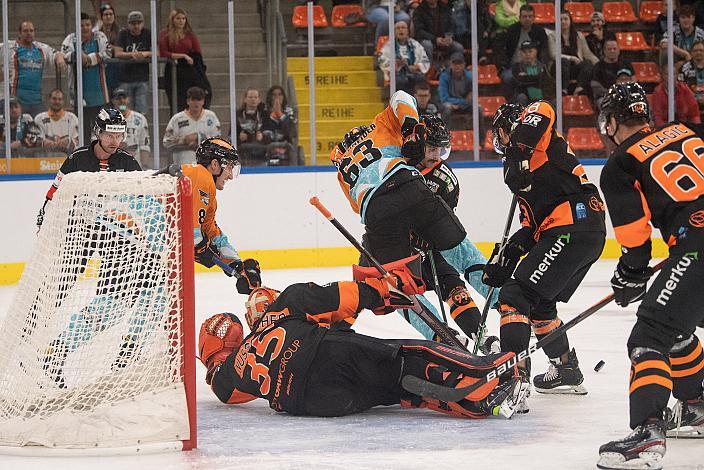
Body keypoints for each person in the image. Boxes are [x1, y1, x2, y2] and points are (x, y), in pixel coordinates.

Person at [199, 269, 528, 419]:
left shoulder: (235, 367)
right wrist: (384, 289)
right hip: (324, 357)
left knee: (402, 389)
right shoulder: (291, 300)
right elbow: (344, 296)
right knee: (407, 356)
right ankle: (486, 368)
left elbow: (223, 389)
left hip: (314, 404)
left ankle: (473, 403)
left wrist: (216, 355)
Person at [330, 90, 496, 347]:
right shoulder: (390, 140)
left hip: (402, 230)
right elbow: (402, 97)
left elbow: (361, 207)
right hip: (406, 206)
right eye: (430, 148)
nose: (434, 156)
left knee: (422, 283)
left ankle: (474, 336)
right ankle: (508, 306)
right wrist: (408, 125)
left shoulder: (345, 167)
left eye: (438, 150)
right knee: (385, 283)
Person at [596, 81, 704, 470]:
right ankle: (694, 407)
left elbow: (635, 240)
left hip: (699, 245)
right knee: (677, 325)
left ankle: (647, 432)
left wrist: (630, 276)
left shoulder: (620, 164)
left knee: (650, 335)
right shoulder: (687, 130)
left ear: (610, 123)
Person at [483, 101, 606, 411]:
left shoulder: (538, 137)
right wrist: (508, 255)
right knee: (540, 304)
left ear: (511, 128)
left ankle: (513, 378)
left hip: (571, 225)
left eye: (501, 133)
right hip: (578, 231)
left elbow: (544, 109)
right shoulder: (520, 165)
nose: (499, 141)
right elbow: (532, 227)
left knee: (513, 295)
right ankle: (565, 369)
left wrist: (519, 154)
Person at [180, 137, 261, 295]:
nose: (230, 176)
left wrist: (237, 265)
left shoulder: (208, 194)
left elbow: (210, 231)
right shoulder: (201, 176)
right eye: (229, 167)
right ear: (215, 165)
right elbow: (191, 233)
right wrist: (202, 247)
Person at [0, 21, 66, 117]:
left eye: (31, 30)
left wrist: (59, 58)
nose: (29, 33)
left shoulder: (41, 48)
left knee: (40, 127)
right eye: (25, 31)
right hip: (16, 101)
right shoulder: (9, 47)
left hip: (36, 101)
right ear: (19, 33)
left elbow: (56, 53)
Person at [61, 12, 111, 141]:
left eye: (87, 25)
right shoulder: (71, 38)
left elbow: (108, 53)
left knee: (100, 128)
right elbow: (64, 54)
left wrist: (89, 58)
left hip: (98, 91)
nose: (85, 28)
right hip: (79, 92)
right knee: (82, 129)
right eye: (82, 25)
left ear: (91, 25)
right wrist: (78, 55)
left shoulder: (99, 36)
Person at [159, 8, 209, 114]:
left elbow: (197, 52)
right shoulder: (165, 34)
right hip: (174, 68)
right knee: (176, 101)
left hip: (189, 70)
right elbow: (163, 52)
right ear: (172, 20)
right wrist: (183, 55)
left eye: (183, 18)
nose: (181, 21)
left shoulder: (190, 35)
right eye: (178, 18)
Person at [163, 86, 221, 164]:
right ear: (188, 101)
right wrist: (184, 140)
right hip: (183, 165)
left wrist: (198, 137)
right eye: (193, 99)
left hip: (206, 166)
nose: (196, 103)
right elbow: (167, 141)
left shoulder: (211, 117)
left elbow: (218, 140)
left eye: (199, 99)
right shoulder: (177, 119)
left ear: (203, 101)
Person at [495, 4, 550, 86]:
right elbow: (498, 46)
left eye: (530, 16)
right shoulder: (511, 30)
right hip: (513, 67)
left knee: (544, 78)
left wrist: (542, 65)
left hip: (534, 67)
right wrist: (504, 64)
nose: (527, 19)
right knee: (508, 78)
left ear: (534, 18)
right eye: (524, 16)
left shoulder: (540, 32)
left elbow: (544, 50)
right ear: (519, 18)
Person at [113, 10, 152, 115]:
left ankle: (140, 129)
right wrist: (131, 55)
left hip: (142, 78)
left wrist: (145, 54)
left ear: (143, 23)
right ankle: (122, 129)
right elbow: (117, 53)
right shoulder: (123, 34)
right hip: (125, 78)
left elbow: (157, 52)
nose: (136, 26)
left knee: (141, 109)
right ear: (128, 24)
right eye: (133, 23)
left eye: (139, 23)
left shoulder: (148, 33)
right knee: (122, 107)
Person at [378, 21, 430, 94]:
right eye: (398, 28)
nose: (400, 30)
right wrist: (396, 64)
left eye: (403, 28)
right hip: (397, 74)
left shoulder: (415, 44)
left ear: (407, 31)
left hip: (413, 72)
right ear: (394, 32)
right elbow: (382, 62)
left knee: (421, 79)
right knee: (400, 81)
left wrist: (416, 67)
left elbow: (425, 61)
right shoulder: (388, 46)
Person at [557, 10, 598, 96]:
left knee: (588, 63)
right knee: (564, 61)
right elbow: (553, 54)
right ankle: (563, 90)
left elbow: (588, 54)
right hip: (560, 68)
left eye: (565, 19)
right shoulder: (552, 36)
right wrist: (571, 58)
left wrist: (600, 64)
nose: (563, 21)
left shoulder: (578, 36)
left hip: (576, 67)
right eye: (560, 19)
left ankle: (579, 89)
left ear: (570, 21)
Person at [412, 0, 464, 64]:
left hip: (443, 40)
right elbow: (419, 31)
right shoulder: (419, 10)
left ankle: (450, 69)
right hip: (427, 40)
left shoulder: (445, 8)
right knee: (427, 45)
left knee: (458, 47)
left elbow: (451, 26)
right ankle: (429, 70)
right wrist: (435, 39)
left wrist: (449, 37)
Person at [110, 88, 150, 168]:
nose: (122, 101)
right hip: (112, 165)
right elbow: (97, 142)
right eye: (118, 99)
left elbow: (144, 145)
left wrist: (144, 166)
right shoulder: (106, 118)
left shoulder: (140, 119)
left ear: (128, 99)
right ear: (113, 101)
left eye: (124, 98)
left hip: (133, 165)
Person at [34, 88, 80, 155]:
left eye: (59, 99)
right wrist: (43, 142)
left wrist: (70, 142)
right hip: (45, 160)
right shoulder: (39, 118)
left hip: (68, 158)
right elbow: (36, 140)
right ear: (49, 100)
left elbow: (77, 140)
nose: (57, 101)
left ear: (63, 101)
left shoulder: (72, 118)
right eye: (54, 99)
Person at [590, 38, 633, 109]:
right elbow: (595, 85)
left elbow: (633, 80)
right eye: (609, 49)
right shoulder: (598, 66)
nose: (612, 51)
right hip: (605, 97)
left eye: (614, 49)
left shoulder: (626, 64)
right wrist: (612, 94)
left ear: (619, 51)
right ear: (604, 51)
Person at [509, 40, 554, 106]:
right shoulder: (516, 67)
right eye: (524, 52)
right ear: (520, 53)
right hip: (526, 97)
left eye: (530, 51)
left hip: (543, 97)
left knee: (555, 101)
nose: (527, 54)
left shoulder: (543, 66)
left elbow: (546, 81)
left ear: (536, 52)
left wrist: (527, 78)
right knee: (521, 98)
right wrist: (537, 78)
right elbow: (519, 82)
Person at [262, 85, 297, 166]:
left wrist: (280, 115)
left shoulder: (290, 112)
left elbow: (291, 131)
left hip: (286, 147)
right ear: (270, 97)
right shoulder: (263, 112)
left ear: (283, 96)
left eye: (280, 94)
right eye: (274, 95)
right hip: (267, 147)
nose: (277, 97)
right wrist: (272, 115)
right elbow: (264, 129)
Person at [438, 52, 476, 126]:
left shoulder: (470, 77)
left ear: (464, 65)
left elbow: (472, 98)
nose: (457, 66)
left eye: (460, 63)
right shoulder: (444, 76)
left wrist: (460, 104)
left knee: (478, 109)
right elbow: (444, 98)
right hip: (450, 104)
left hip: (464, 105)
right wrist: (461, 102)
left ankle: (481, 137)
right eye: (455, 63)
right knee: (447, 108)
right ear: (450, 64)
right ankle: (444, 135)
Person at [235, 87, 267, 164]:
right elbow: (231, 135)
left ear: (259, 100)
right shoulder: (238, 114)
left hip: (261, 151)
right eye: (250, 97)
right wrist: (238, 137)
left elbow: (269, 133)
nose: (253, 99)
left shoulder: (264, 114)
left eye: (256, 97)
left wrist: (263, 137)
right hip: (243, 152)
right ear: (245, 99)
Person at [94, 3, 121, 95]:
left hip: (116, 68)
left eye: (111, 14)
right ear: (101, 17)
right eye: (106, 14)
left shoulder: (120, 32)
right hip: (101, 66)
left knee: (116, 96)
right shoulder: (96, 33)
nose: (108, 17)